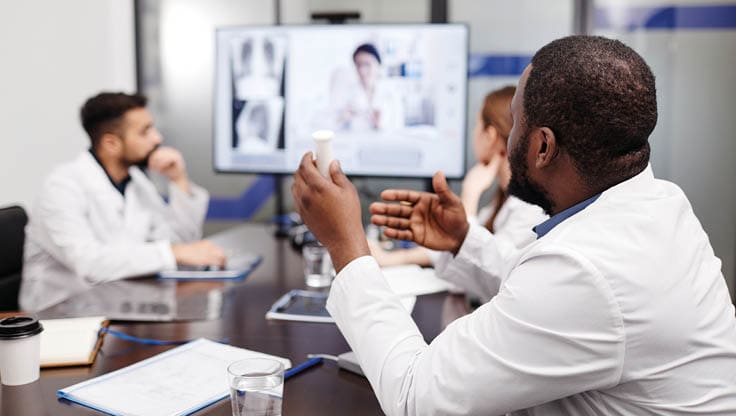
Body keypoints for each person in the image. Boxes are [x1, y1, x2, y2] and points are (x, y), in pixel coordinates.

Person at [291, 35, 736, 415]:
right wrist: (463, 241)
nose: (506, 138)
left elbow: (415, 396)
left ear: (543, 146)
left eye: (516, 122)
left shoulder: (589, 269)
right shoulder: (658, 203)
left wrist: (346, 244)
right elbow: (548, 292)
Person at [21, 92, 225, 312]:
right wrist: (172, 253)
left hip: (119, 304)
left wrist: (179, 180)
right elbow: (89, 264)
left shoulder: (136, 182)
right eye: (145, 131)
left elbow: (178, 242)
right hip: (60, 315)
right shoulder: (61, 187)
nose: (157, 138)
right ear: (111, 144)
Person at [369, 87, 546, 302]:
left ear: (490, 136)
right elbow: (454, 247)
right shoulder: (502, 200)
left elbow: (490, 276)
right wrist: (391, 259)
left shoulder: (529, 208)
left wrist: (469, 198)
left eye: (476, 125)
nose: (473, 133)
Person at [333, 43, 404, 132]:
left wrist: (380, 125)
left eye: (367, 64)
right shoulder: (348, 93)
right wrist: (342, 118)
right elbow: (335, 128)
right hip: (356, 143)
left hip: (385, 143)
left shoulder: (391, 94)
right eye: (358, 65)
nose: (362, 70)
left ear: (378, 65)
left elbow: (399, 128)